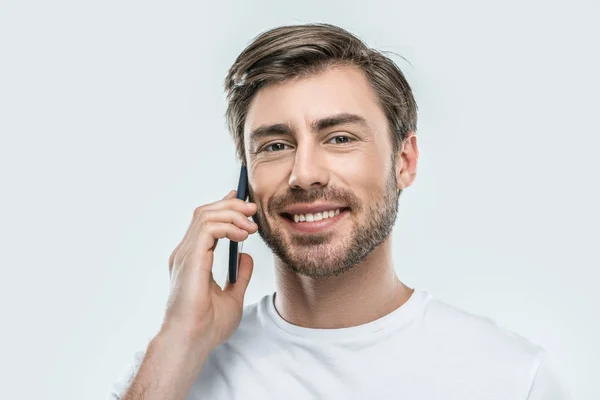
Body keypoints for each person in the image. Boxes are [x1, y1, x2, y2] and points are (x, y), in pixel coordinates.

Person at [109, 23, 569, 399]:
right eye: (275, 145)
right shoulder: (176, 370)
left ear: (403, 162)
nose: (304, 173)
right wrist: (179, 339)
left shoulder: (511, 378)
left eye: (340, 138)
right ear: (246, 178)